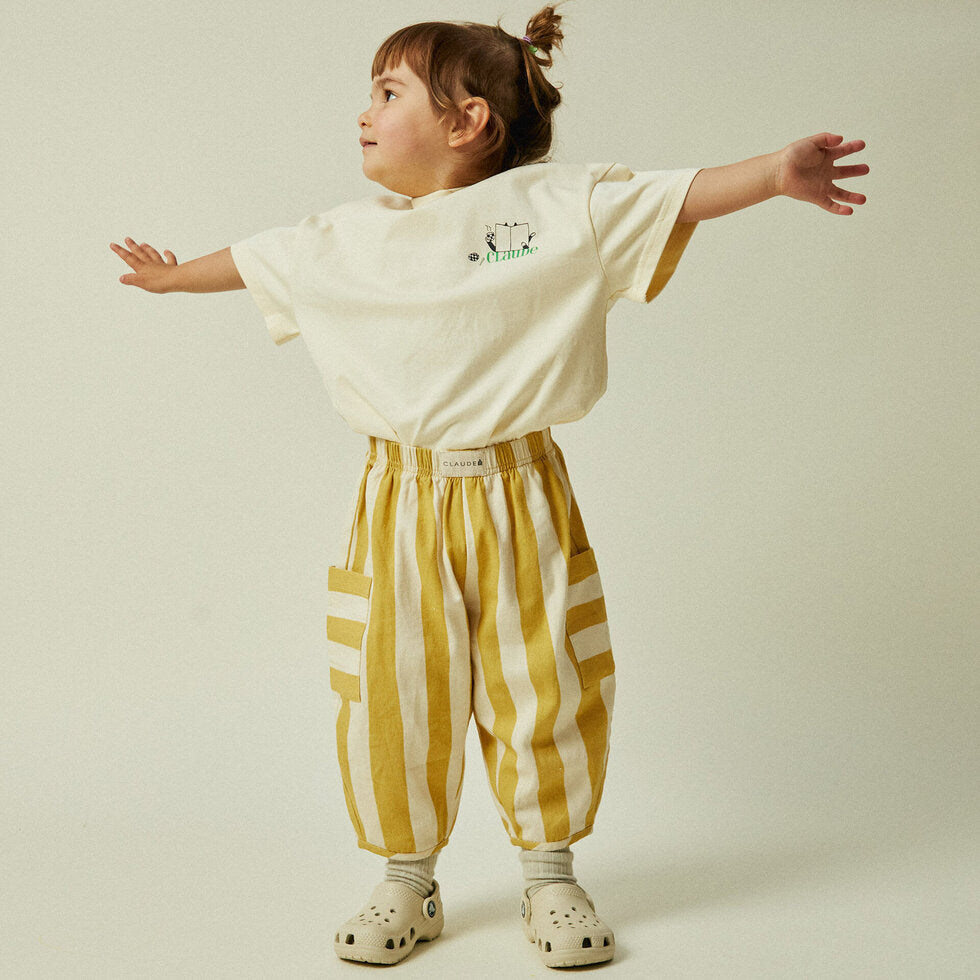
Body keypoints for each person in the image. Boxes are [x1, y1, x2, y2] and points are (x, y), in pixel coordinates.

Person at [110, 2, 868, 968]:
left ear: (469, 122)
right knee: (394, 688)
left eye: (387, 93)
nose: (363, 113)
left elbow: (676, 198)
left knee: (541, 680)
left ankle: (550, 875)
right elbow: (259, 261)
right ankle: (407, 879)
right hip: (397, 504)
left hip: (521, 495)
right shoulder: (343, 237)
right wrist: (174, 280)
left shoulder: (553, 211)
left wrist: (773, 174)